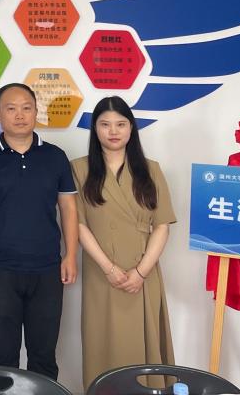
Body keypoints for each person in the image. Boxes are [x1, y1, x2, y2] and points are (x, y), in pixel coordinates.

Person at [0, 82, 77, 380]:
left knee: (44, 354)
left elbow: (68, 208)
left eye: (26, 108)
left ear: (36, 111)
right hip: (0, 269)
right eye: (11, 108)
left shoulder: (55, 156)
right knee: (3, 355)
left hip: (48, 268)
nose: (19, 115)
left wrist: (70, 256)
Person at [72, 96, 176, 388]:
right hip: (101, 272)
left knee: (143, 346)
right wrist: (108, 268)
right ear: (95, 129)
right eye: (105, 124)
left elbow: (162, 225)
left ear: (131, 128)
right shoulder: (79, 169)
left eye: (120, 124)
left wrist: (141, 272)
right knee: (102, 341)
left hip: (143, 270)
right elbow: (78, 225)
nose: (113, 131)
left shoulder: (151, 170)